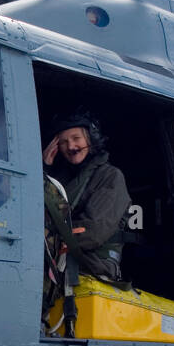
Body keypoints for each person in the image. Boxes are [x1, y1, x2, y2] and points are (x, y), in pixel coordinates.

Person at [42, 113, 131, 285]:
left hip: (91, 269)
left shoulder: (110, 176)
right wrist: (44, 169)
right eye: (63, 142)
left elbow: (92, 232)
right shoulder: (60, 178)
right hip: (59, 265)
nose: (71, 146)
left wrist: (48, 238)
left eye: (76, 138)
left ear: (91, 139)